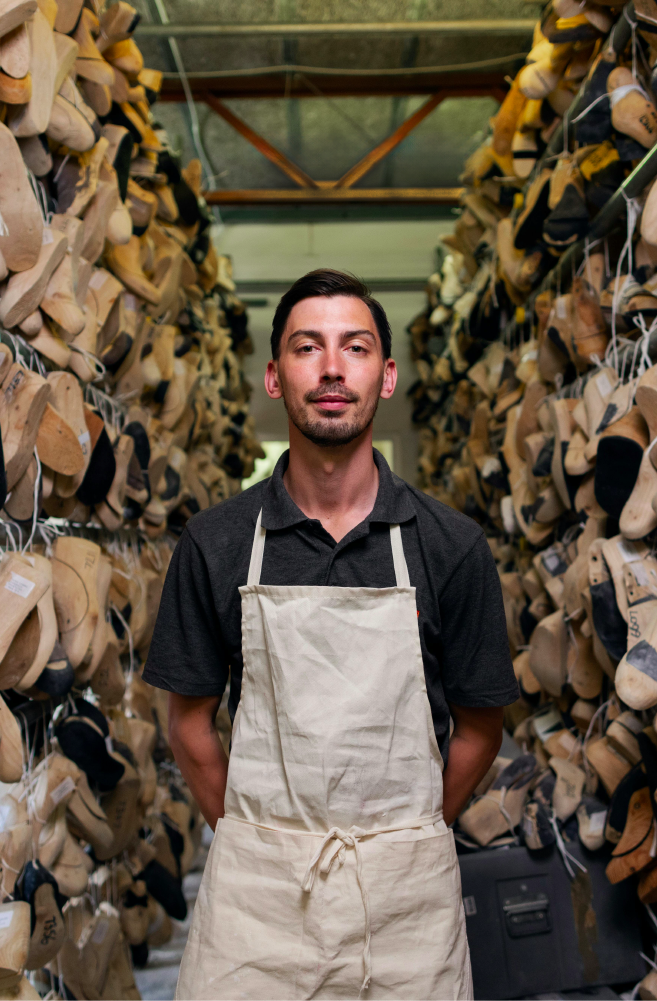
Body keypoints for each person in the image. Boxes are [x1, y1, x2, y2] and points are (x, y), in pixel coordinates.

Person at [144, 268, 516, 999]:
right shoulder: (216, 543)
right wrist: (259, 837)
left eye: (356, 347)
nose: (333, 368)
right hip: (258, 905)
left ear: (386, 375)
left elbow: (481, 726)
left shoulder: (450, 545)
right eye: (308, 348)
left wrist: (407, 836)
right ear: (275, 377)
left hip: (407, 904)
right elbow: (188, 721)